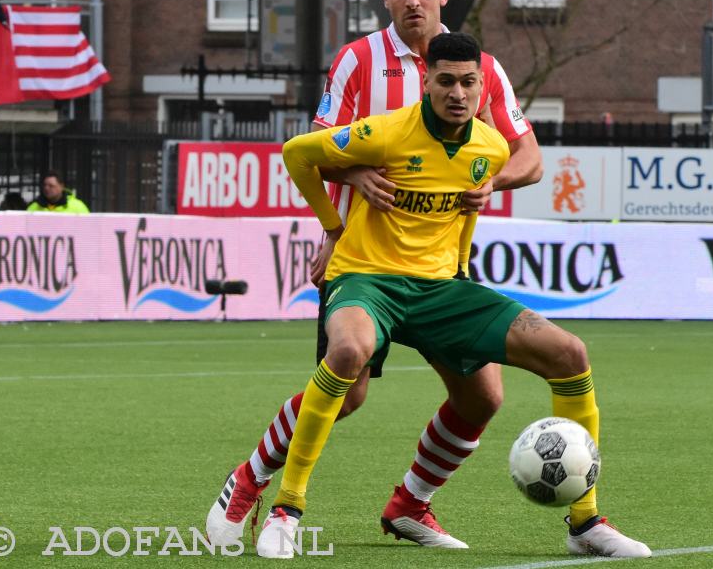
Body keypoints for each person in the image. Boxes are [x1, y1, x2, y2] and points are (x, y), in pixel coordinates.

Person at [254, 33, 650, 559]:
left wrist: (460, 262)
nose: (457, 93)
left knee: (568, 354)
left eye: (467, 82)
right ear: (426, 81)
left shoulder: (488, 147)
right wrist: (333, 226)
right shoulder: (387, 131)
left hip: (441, 287)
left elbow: (478, 205)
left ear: (481, 87)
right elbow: (298, 153)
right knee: (347, 357)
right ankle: (287, 509)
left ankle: (584, 523)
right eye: (446, 81)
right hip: (368, 279)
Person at [206, 0, 544, 551]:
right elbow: (318, 148)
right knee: (350, 388)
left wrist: (494, 179)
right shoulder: (359, 61)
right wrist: (351, 181)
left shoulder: (480, 69)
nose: (413, 0)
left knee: (484, 396)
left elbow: (529, 156)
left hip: (443, 265)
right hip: (366, 262)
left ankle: (410, 505)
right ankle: (250, 479)